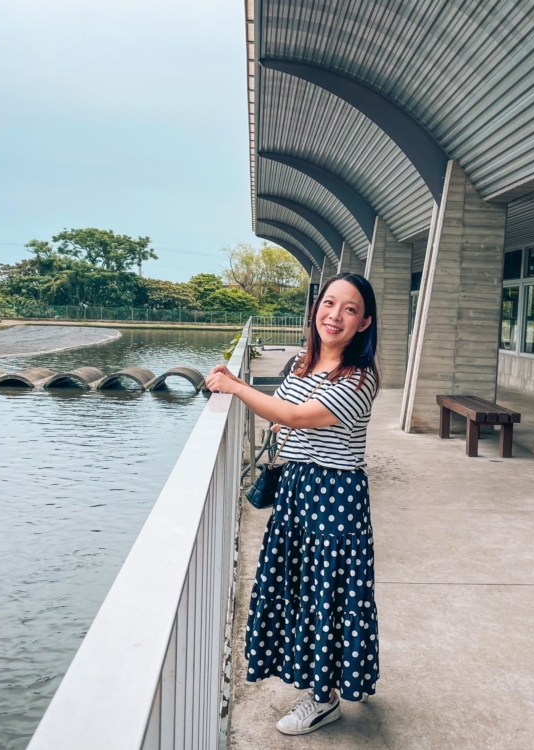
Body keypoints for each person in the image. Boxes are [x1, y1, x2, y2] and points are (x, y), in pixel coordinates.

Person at [205, 272, 381, 736]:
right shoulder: (304, 362)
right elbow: (287, 413)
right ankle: (318, 688)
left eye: (349, 309)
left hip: (334, 497)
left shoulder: (360, 377)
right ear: (316, 309)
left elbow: (299, 416)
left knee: (327, 598)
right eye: (329, 303)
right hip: (298, 492)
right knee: (300, 591)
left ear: (364, 323)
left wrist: (236, 388)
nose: (335, 315)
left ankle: (324, 699)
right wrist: (259, 399)